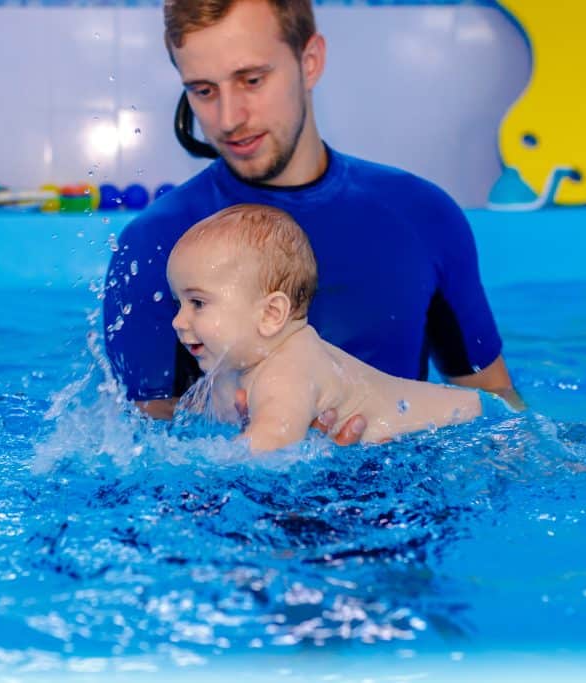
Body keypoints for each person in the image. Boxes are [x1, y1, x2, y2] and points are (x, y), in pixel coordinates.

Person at [103, 0, 520, 444]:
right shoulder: (154, 246)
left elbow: (504, 420)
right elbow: (147, 456)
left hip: (405, 508)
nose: (228, 119)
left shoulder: (422, 217)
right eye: (204, 90)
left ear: (310, 61)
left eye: (252, 80)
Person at [167, 203, 482, 451]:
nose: (178, 321)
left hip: (464, 426)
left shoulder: (288, 370)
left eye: (197, 303)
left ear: (270, 314)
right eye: (177, 303)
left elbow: (270, 448)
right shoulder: (236, 367)